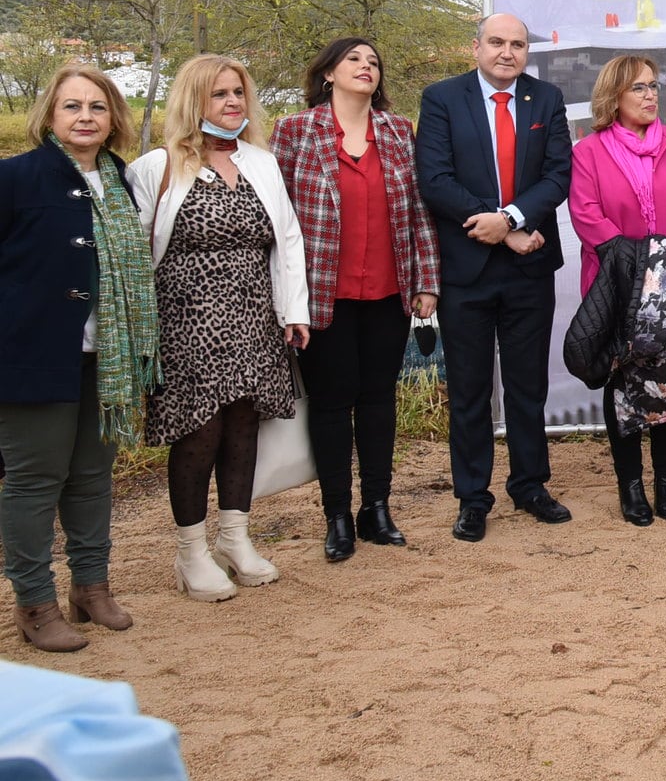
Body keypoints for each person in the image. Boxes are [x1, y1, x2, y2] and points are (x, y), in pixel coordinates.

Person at [127, 55, 310, 600]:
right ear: (192, 101)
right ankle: (191, 551)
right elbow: (136, 255)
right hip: (187, 321)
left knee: (243, 428)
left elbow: (288, 239)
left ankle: (235, 538)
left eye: (237, 93)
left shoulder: (261, 162)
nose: (232, 103)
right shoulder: (156, 168)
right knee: (197, 432)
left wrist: (292, 310)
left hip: (254, 317)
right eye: (218, 95)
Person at [0, 64, 157, 651]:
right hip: (34, 354)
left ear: (114, 117)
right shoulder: (15, 178)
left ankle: (90, 587)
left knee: (91, 478)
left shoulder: (122, 182)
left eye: (97, 106)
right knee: (35, 480)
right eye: (72, 106)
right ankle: (34, 603)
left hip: (107, 354)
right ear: (49, 116)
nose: (85, 117)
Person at [272, 38, 442, 563]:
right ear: (327, 73)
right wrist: (283, 302)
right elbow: (275, 221)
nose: (366, 67)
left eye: (373, 62)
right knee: (329, 403)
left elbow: (418, 212)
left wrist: (427, 281)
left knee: (377, 402)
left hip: (389, 292)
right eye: (354, 60)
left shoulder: (397, 131)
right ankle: (337, 516)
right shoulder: (295, 132)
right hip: (322, 296)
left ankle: (377, 508)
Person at [415, 14, 574, 542]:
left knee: (528, 387)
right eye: (498, 42)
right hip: (467, 270)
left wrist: (509, 219)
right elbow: (434, 179)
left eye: (518, 44)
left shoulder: (545, 99)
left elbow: (558, 176)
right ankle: (472, 496)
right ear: (476, 46)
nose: (508, 52)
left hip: (529, 267)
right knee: (469, 389)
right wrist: (500, 228)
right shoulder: (442, 98)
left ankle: (529, 485)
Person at [569, 55, 666, 525]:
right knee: (621, 386)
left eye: (654, 86)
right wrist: (634, 264)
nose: (651, 95)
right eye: (638, 88)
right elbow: (585, 213)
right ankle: (631, 487)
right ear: (613, 96)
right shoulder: (588, 152)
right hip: (616, 288)